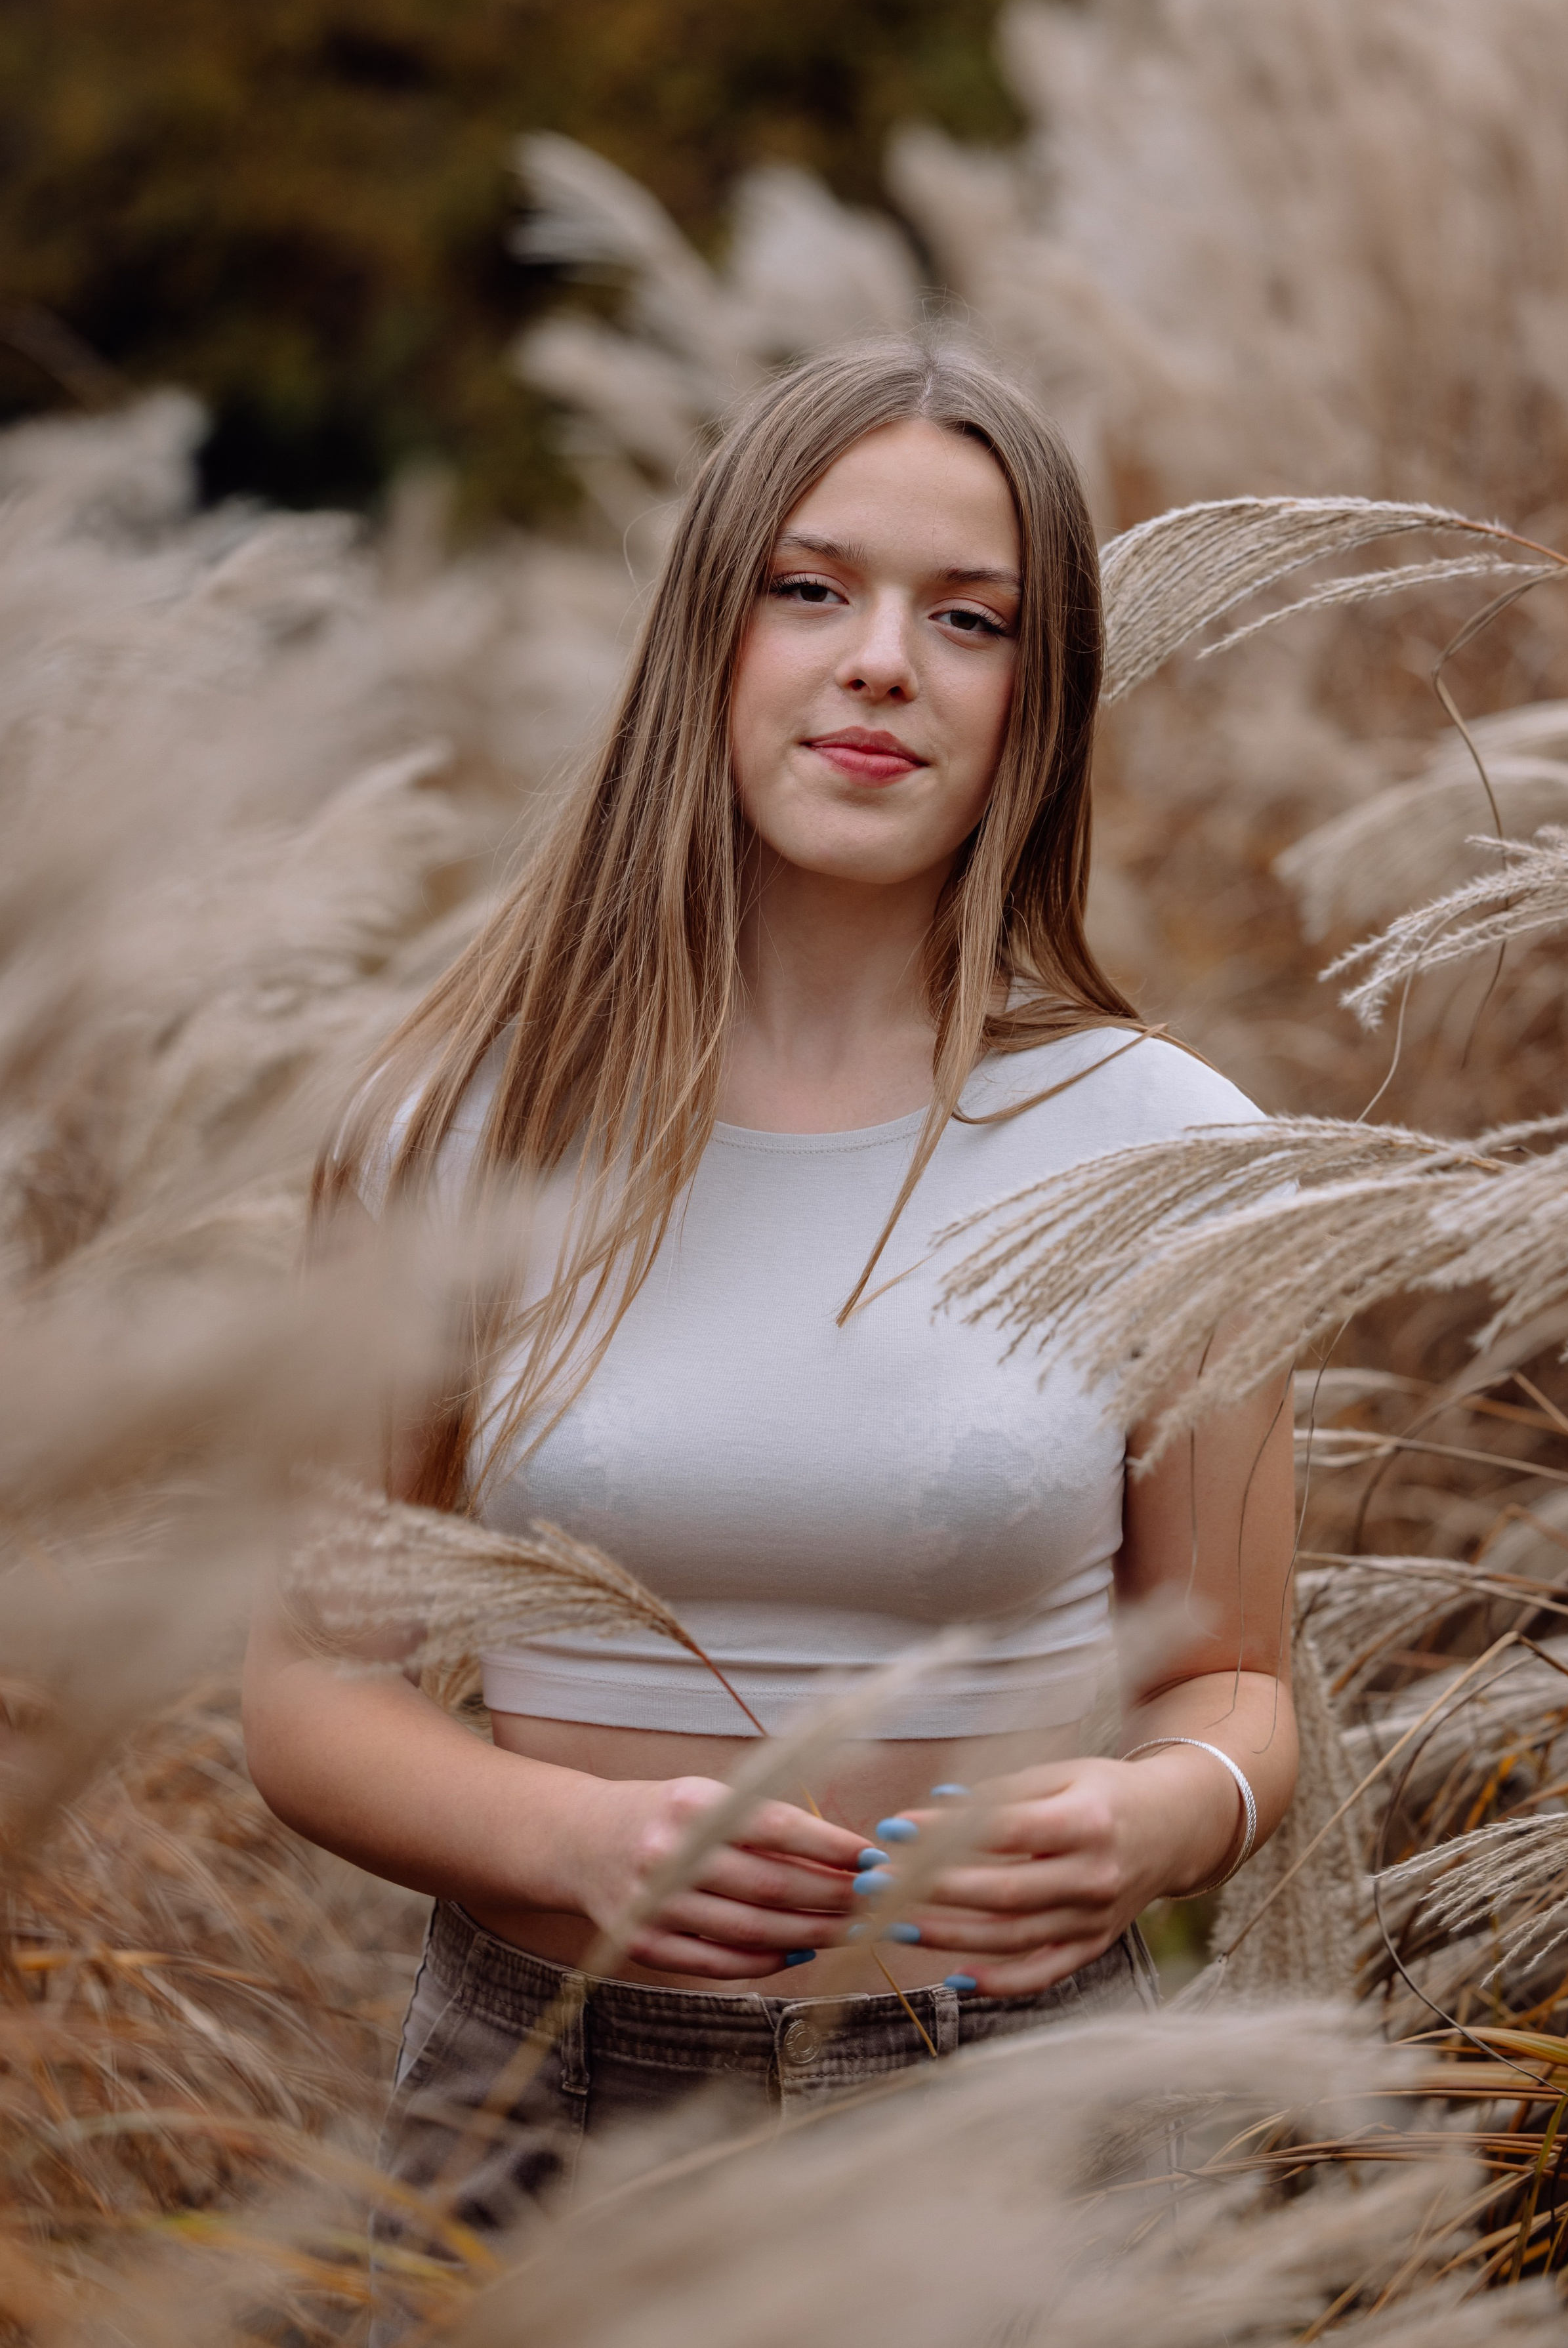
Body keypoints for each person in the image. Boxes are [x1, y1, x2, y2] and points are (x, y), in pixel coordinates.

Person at [242, 338, 1297, 2282]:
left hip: (1024, 2121)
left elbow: (1237, 1680)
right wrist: (571, 1844)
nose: (883, 661)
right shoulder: (453, 1131)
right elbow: (310, 1693)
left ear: (1041, 698)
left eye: (969, 618)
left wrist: (1171, 1817)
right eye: (811, 588)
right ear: (705, 641)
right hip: (549, 2112)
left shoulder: (1170, 1146)